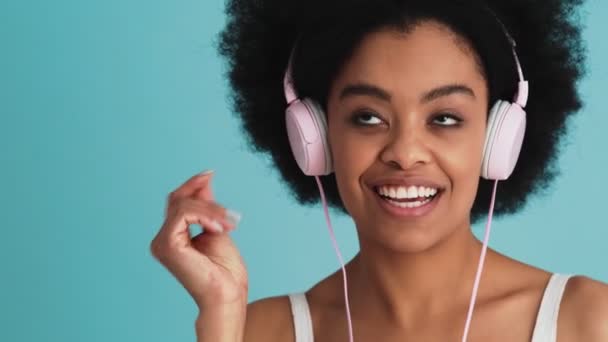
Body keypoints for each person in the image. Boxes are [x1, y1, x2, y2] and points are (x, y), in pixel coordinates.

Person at [150, 0, 608, 341]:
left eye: (444, 118)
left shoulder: (588, 320)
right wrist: (222, 314)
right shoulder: (262, 331)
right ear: (315, 135)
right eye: (367, 117)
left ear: (498, 137)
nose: (405, 153)